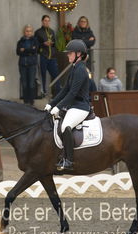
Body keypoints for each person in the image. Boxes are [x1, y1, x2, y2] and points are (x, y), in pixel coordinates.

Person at [43, 39, 90, 171]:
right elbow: (64, 91)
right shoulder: (74, 68)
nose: (67, 55)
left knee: (65, 127)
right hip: (73, 106)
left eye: (70, 53)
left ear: (79, 54)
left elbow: (73, 93)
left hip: (81, 106)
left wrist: (58, 107)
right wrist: (51, 104)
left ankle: (69, 160)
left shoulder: (81, 70)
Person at [35, 15, 60, 96]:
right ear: (42, 21)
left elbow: (55, 44)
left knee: (56, 75)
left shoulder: (52, 32)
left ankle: (58, 93)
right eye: (45, 20)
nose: (47, 22)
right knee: (42, 75)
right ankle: (43, 92)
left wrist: (52, 44)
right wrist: (43, 44)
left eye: (48, 21)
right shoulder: (38, 32)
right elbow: (36, 45)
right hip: (43, 56)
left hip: (52, 57)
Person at [16, 24, 39, 105]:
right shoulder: (20, 41)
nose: (28, 32)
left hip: (32, 64)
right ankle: (25, 101)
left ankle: (31, 101)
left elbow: (35, 50)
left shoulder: (35, 41)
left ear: (32, 32)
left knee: (31, 83)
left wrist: (24, 50)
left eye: (30, 31)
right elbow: (18, 52)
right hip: (22, 65)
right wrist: (29, 50)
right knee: (24, 83)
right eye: (27, 31)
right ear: (24, 32)